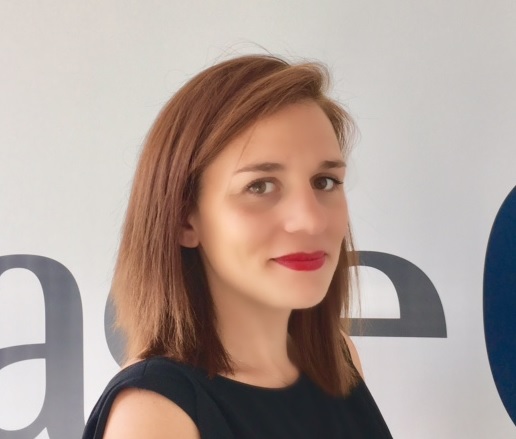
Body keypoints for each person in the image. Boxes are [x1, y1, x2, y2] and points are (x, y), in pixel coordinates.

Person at [82, 54, 392, 438]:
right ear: (184, 219)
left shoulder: (338, 358)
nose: (311, 219)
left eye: (325, 181)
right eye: (260, 186)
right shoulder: (154, 415)